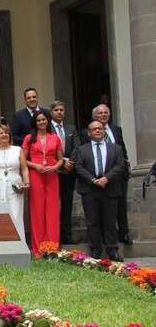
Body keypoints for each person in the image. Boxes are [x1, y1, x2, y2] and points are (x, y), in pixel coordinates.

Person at [73, 121, 127, 261]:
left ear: (104, 131)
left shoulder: (116, 148)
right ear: (89, 133)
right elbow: (78, 167)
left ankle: (112, 250)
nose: (97, 131)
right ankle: (95, 249)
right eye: (94, 129)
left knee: (110, 221)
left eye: (100, 128)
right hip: (90, 189)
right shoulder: (81, 150)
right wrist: (93, 180)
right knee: (92, 221)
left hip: (109, 188)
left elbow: (120, 166)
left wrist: (106, 178)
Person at [81, 104, 131, 245]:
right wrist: (94, 178)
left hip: (116, 176)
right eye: (100, 113)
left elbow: (122, 150)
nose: (103, 115)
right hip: (95, 179)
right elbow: (86, 156)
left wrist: (122, 166)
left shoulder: (116, 130)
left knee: (120, 206)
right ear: (94, 117)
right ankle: (100, 241)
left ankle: (124, 233)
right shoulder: (86, 133)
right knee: (97, 215)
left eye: (106, 113)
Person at [22, 110, 63, 252]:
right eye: (38, 120)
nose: (41, 122)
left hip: (52, 175)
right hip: (36, 174)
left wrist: (54, 168)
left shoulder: (55, 138)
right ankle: (38, 248)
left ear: (48, 121)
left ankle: (52, 248)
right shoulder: (29, 138)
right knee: (37, 210)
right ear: (35, 123)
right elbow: (23, 159)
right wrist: (36, 166)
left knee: (52, 210)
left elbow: (61, 159)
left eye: (44, 120)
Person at [0, 124, 28, 238]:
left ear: (9, 135)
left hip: (15, 185)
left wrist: (27, 183)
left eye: (6, 132)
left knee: (16, 214)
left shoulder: (18, 149)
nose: (4, 135)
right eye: (1, 133)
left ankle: (18, 245)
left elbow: (24, 168)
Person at [50, 101, 78, 244]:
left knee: (67, 205)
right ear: (51, 112)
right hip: (53, 172)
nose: (59, 112)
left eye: (62, 110)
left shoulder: (71, 129)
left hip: (68, 173)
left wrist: (70, 162)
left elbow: (76, 148)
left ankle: (66, 234)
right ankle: (54, 234)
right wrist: (61, 162)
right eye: (56, 110)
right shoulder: (47, 129)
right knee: (54, 205)